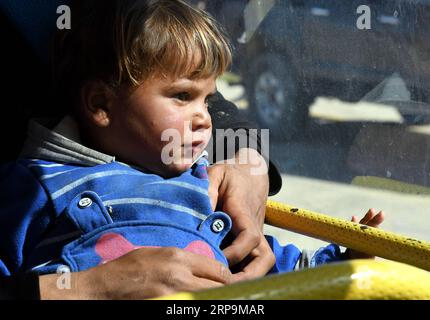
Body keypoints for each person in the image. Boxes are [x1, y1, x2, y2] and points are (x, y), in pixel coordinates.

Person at [0, 0, 383, 299]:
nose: (205, 119)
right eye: (182, 96)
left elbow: (274, 267)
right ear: (101, 105)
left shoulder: (205, 186)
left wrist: (342, 261)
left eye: (208, 100)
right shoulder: (36, 184)